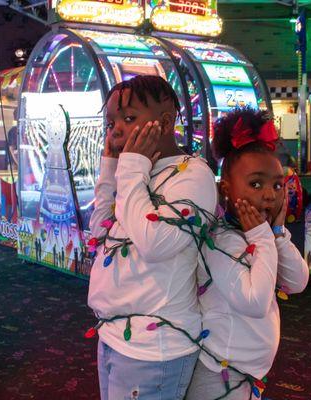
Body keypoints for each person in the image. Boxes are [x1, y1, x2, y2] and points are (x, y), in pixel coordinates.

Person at [87, 75, 218, 400]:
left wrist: (130, 168)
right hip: (114, 334)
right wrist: (111, 168)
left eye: (129, 119)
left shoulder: (193, 174)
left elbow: (155, 243)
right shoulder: (138, 171)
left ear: (165, 121)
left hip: (155, 348)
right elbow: (100, 232)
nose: (116, 129)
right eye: (111, 121)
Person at [186, 107, 309, 400]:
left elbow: (297, 281)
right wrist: (264, 238)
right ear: (226, 189)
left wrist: (277, 235)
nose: (270, 194)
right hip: (219, 375)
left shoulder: (260, 236)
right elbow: (254, 301)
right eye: (256, 184)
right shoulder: (221, 241)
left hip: (243, 374)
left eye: (277, 184)